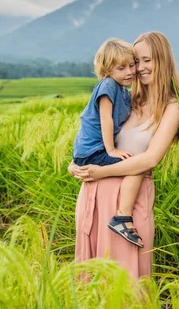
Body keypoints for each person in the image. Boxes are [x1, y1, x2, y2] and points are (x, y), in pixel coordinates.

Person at [68, 31, 179, 280]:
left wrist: (101, 171)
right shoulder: (125, 98)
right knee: (94, 285)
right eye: (136, 61)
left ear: (163, 61)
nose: (139, 68)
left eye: (147, 60)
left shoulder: (172, 108)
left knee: (128, 282)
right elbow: (92, 132)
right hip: (94, 198)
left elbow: (150, 159)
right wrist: (76, 164)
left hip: (127, 212)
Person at [71, 38, 145, 247]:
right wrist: (111, 150)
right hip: (93, 152)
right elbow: (105, 118)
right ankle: (122, 217)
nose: (129, 72)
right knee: (136, 166)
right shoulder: (108, 85)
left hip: (91, 150)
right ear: (107, 70)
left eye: (132, 65)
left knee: (134, 163)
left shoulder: (121, 89)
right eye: (121, 68)